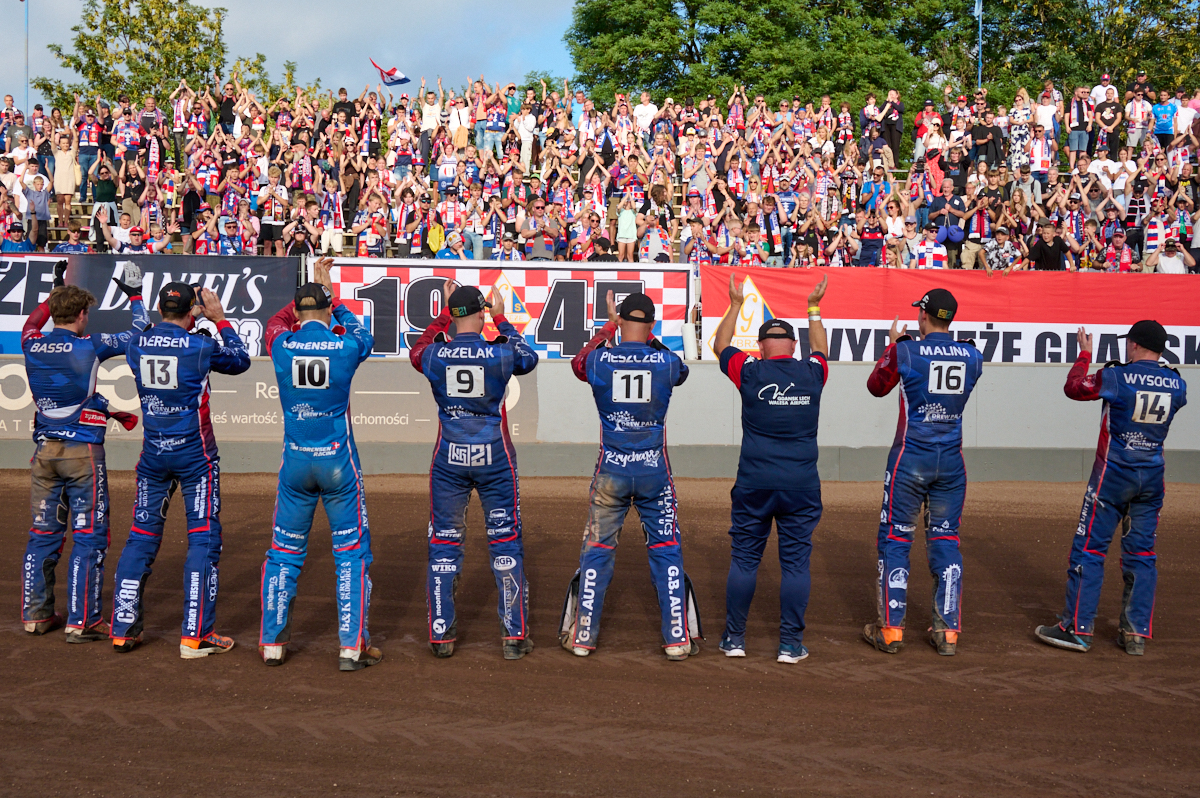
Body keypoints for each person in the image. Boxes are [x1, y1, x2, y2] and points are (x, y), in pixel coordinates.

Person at [109, 282, 251, 656]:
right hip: (195, 456)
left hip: (154, 454)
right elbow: (240, 360)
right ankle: (196, 634)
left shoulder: (137, 344)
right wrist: (219, 320)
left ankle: (122, 628)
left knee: (140, 537)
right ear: (192, 312)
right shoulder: (200, 345)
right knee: (203, 538)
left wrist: (135, 297)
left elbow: (139, 326)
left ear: (160, 308)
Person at [1035, 322, 1187, 656]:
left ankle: (1076, 628)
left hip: (1113, 475)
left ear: (1133, 345)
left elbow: (1074, 388)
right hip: (1151, 476)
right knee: (1142, 555)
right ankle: (1135, 634)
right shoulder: (1177, 383)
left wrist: (1085, 354)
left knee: (1089, 550)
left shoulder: (1116, 376)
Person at [561, 291, 698, 661]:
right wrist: (645, 336)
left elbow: (578, 363)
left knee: (598, 551)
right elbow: (680, 369)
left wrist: (610, 325)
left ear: (621, 321)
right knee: (666, 552)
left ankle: (583, 638)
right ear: (652, 325)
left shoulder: (601, 359)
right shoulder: (665, 362)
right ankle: (676, 640)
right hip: (654, 471)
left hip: (611, 471)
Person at [259, 259, 380, 671]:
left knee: (283, 554)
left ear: (296, 313)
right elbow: (361, 333)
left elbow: (275, 322)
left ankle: (272, 644)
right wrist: (335, 298)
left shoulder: (281, 343)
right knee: (350, 552)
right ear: (329, 311)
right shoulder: (346, 345)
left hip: (295, 462)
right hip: (337, 463)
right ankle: (351, 646)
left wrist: (305, 302)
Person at [409, 283, 538, 660]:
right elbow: (527, 358)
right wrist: (501, 318)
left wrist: (443, 316)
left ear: (452, 318)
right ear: (480, 315)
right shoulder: (498, 352)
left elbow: (417, 351)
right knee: (505, 543)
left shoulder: (435, 355)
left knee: (444, 546)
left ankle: (440, 636)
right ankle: (514, 637)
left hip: (449, 458)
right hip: (495, 458)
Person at [20, 262, 146, 640]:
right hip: (82, 454)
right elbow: (139, 332)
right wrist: (135, 294)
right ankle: (83, 620)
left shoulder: (31, 341)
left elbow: (31, 321)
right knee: (90, 534)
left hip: (44, 453)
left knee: (43, 534)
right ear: (81, 314)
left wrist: (54, 290)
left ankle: (36, 615)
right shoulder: (90, 345)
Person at [712, 275, 829, 663]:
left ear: (760, 347)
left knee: (745, 559)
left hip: (755, 483)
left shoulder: (749, 371)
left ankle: (734, 639)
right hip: (800, 484)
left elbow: (720, 345)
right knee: (795, 563)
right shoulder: (813, 374)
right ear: (794, 347)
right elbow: (823, 350)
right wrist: (813, 307)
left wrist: (734, 303)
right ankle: (790, 645)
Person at [863, 289, 984, 656]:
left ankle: (891, 630)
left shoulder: (905, 351)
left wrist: (893, 346)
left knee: (896, 540)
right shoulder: (973, 355)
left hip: (910, 457)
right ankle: (948, 632)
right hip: (950, 460)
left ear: (923, 316)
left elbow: (876, 387)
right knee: (946, 541)